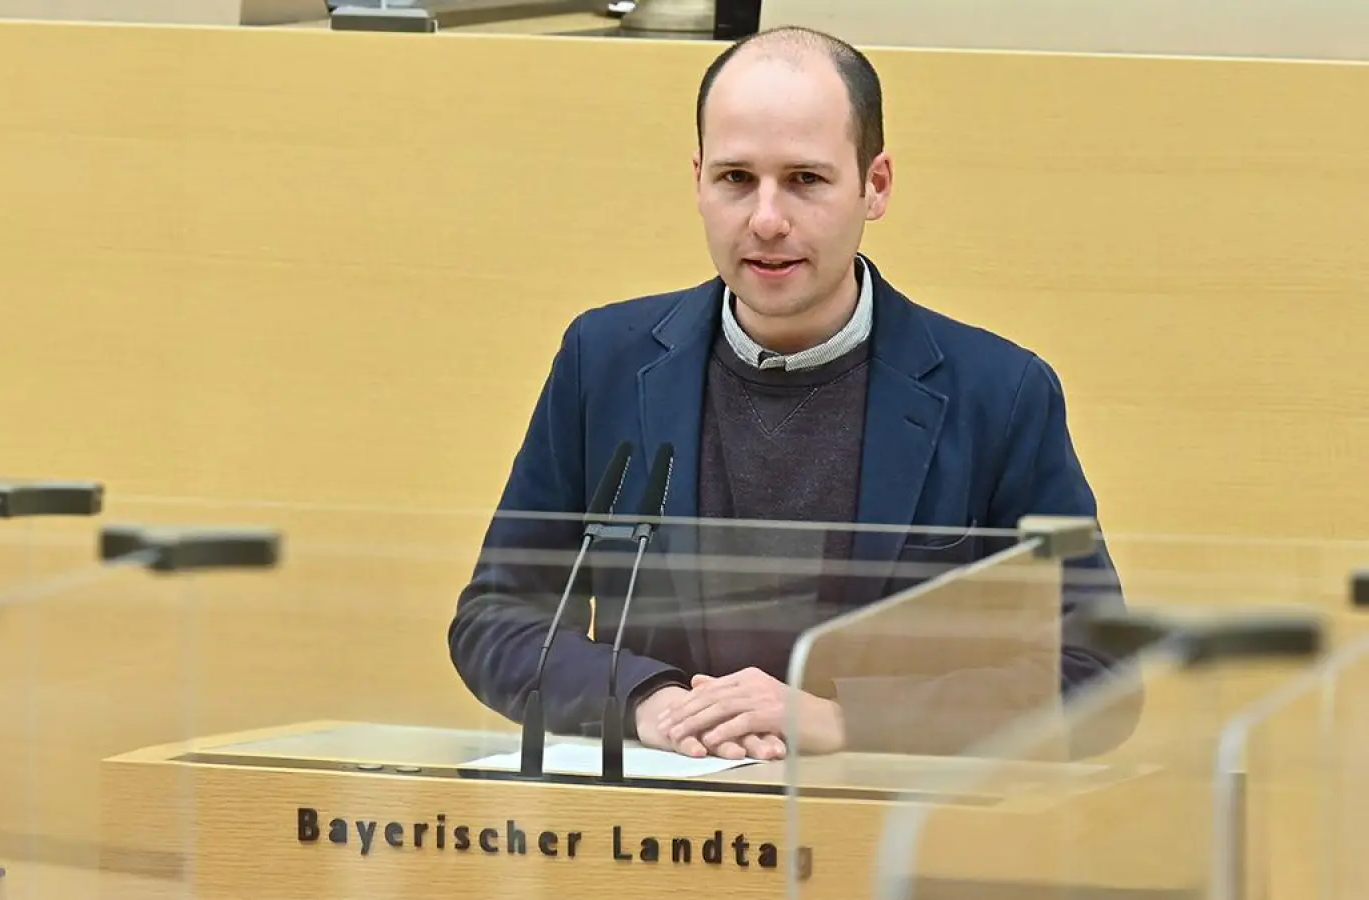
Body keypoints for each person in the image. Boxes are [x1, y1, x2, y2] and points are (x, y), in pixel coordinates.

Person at [447, 26, 1138, 763]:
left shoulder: (999, 393)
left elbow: (1099, 674)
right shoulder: (603, 362)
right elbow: (496, 618)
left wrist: (845, 721)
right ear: (698, 180)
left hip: (884, 840)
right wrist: (650, 702)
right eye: (736, 179)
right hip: (662, 823)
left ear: (876, 186)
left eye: (805, 180)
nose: (767, 220)